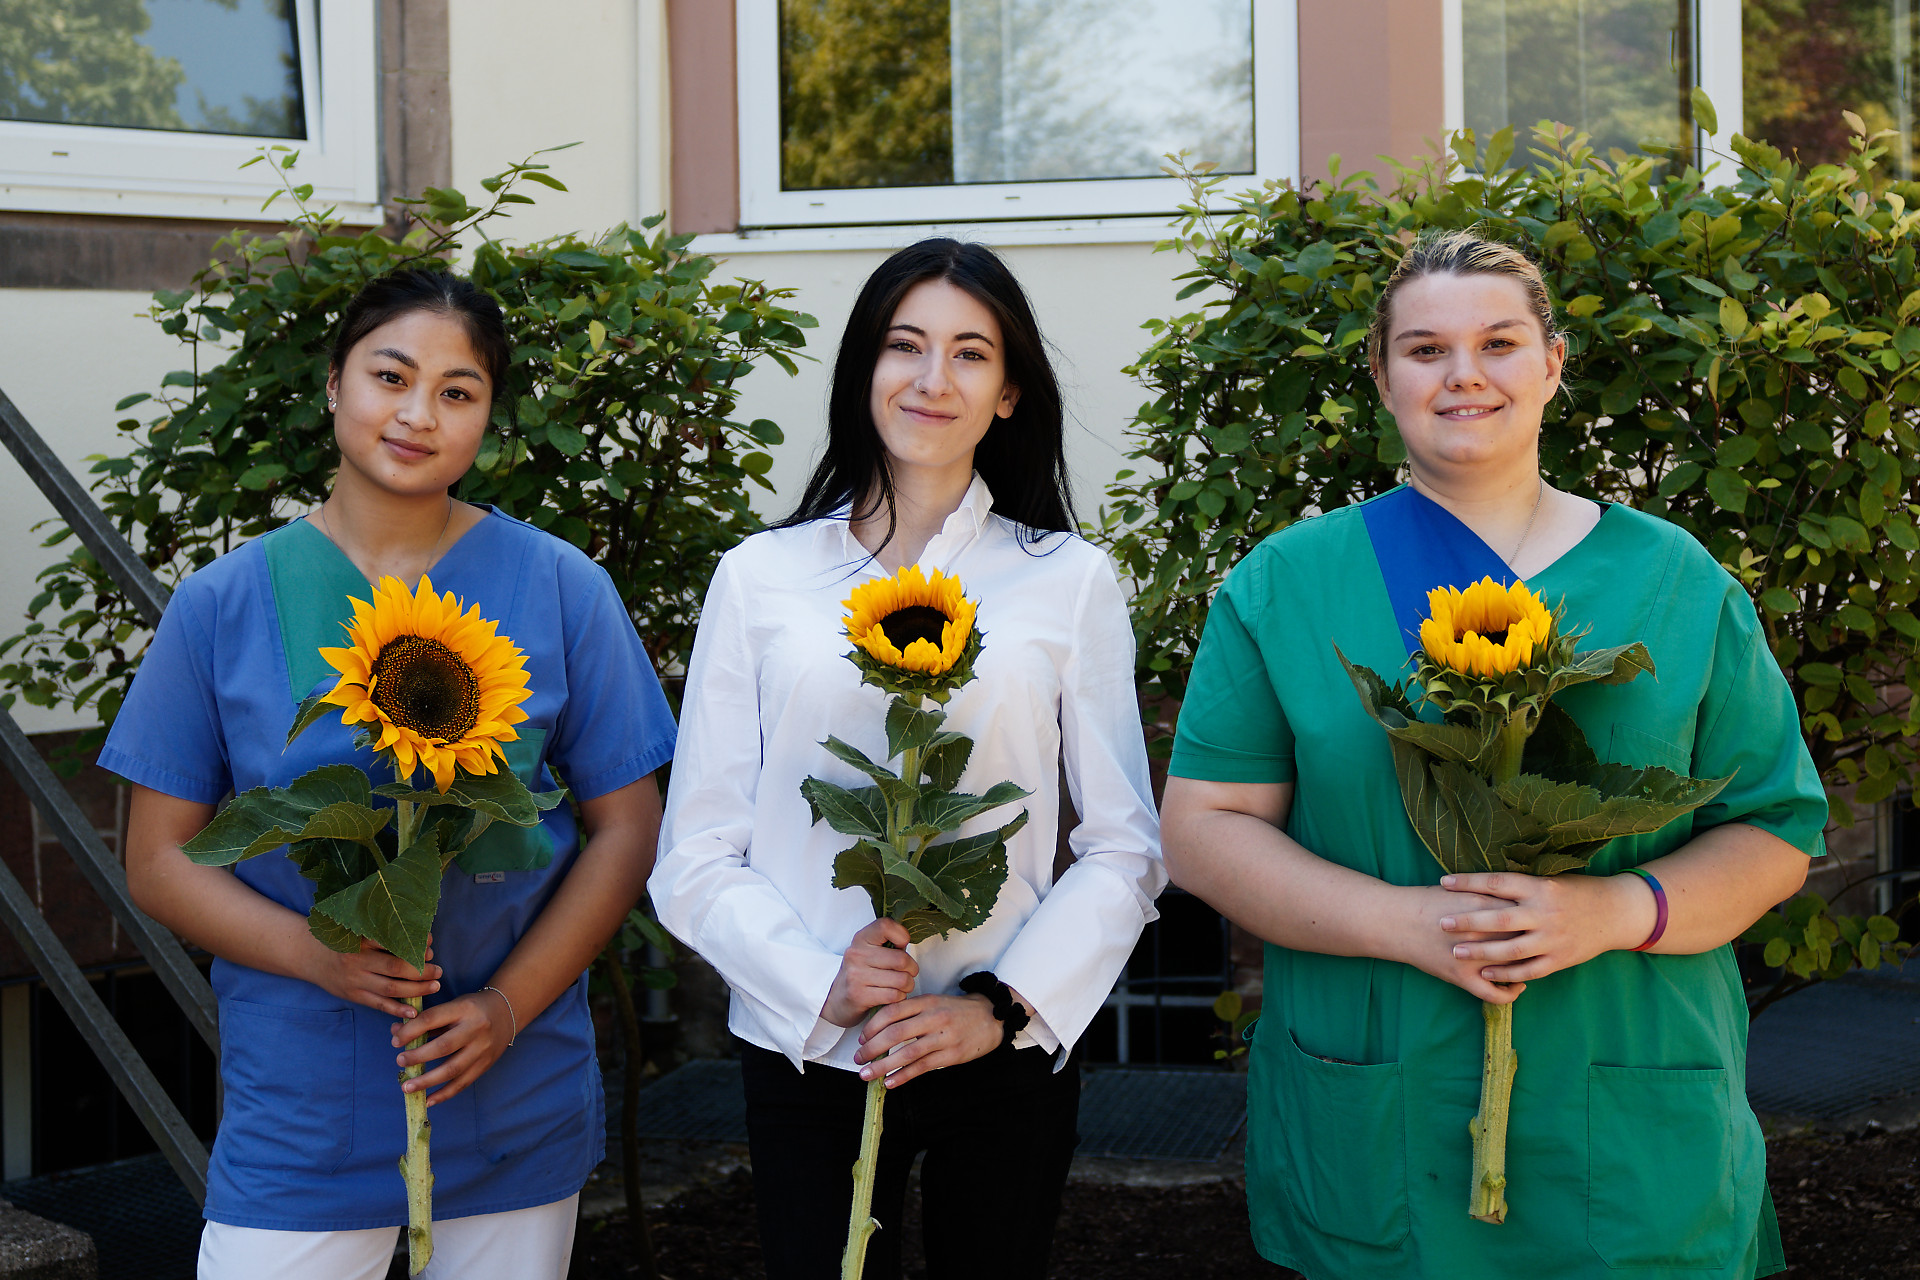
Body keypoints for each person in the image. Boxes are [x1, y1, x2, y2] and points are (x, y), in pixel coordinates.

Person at [1159, 230, 1827, 1279]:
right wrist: (1407, 922)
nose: (1463, 373)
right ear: (1382, 378)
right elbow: (1205, 829)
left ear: (1553, 365)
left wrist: (1610, 909)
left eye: (1500, 343)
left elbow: (1776, 829)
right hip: (1381, 1103)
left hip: (1631, 1106)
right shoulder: (1287, 584)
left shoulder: (1676, 581)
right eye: (1424, 350)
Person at [107, 269, 676, 1280]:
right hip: (305, 1098)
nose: (419, 413)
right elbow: (157, 861)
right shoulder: (224, 603)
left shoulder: (558, 587)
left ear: (489, 418)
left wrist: (506, 1006)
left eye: (459, 391)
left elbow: (629, 824)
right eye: (391, 375)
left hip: (509, 1092)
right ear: (335, 384)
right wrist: (316, 951)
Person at [650, 237, 1164, 1280]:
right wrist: (816, 987)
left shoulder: (1067, 578)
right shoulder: (760, 578)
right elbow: (695, 851)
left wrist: (998, 1005)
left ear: (1010, 391)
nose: (934, 379)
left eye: (971, 353)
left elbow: (1123, 846)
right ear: (864, 371)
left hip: (999, 1045)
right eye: (905, 345)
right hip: (814, 1045)